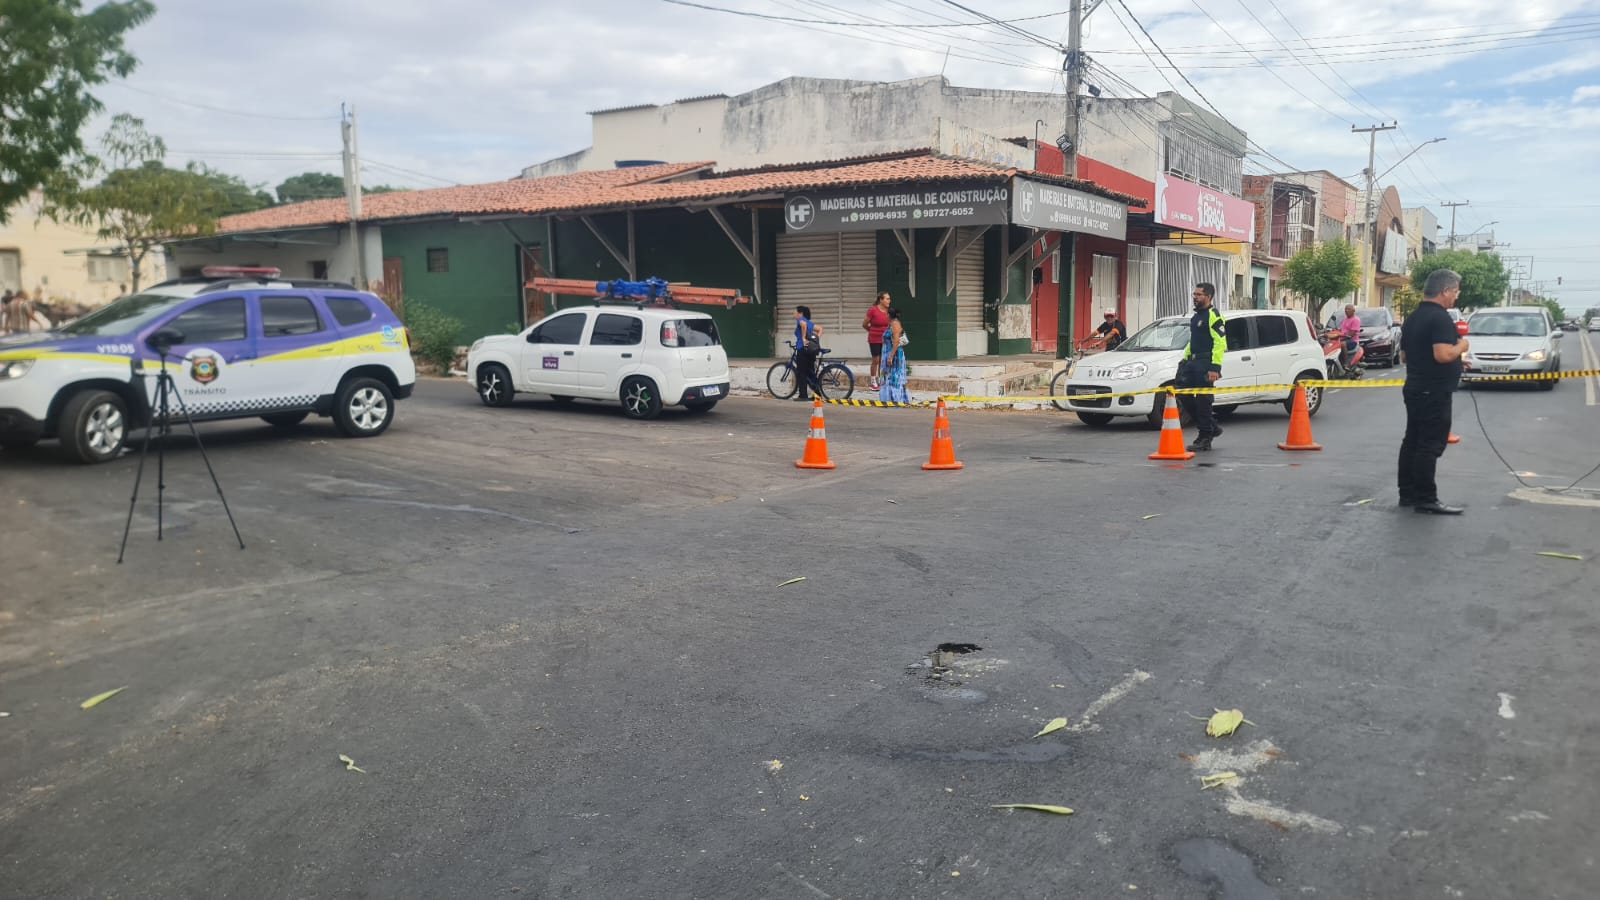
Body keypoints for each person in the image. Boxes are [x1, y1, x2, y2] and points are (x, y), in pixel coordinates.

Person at [1398, 269, 1469, 515]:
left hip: (1415, 387)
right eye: (1455, 292)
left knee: (1412, 441)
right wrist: (1461, 346)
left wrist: (1456, 361)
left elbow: (1406, 356)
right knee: (1429, 444)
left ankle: (1407, 493)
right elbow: (1442, 354)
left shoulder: (1413, 317)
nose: (1456, 297)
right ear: (1445, 291)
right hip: (1434, 391)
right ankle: (1426, 498)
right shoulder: (1440, 318)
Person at [1179, 283, 1226, 452]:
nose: (1195, 297)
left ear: (1209, 297)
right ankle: (1212, 426)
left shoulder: (1214, 316)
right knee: (1182, 393)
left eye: (1199, 294)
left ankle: (1205, 437)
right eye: (1194, 294)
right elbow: (1193, 341)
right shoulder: (1196, 316)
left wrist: (1215, 368)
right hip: (1192, 362)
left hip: (1206, 363)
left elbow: (1220, 343)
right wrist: (1185, 359)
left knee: (1203, 401)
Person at [879, 307, 909, 404]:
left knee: (894, 377)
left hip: (894, 355)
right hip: (888, 353)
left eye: (886, 314)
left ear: (889, 315)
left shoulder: (895, 324)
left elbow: (896, 341)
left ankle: (895, 399)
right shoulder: (891, 324)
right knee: (887, 376)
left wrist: (891, 357)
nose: (885, 316)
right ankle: (887, 398)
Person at [862, 292, 891, 390]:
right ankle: (873, 382)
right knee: (876, 360)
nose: (889, 301)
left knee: (883, 361)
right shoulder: (873, 310)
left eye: (889, 299)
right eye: (887, 299)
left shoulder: (889, 311)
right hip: (874, 339)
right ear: (881, 300)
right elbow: (864, 324)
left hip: (885, 339)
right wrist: (872, 331)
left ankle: (881, 381)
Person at [793, 305, 821, 401]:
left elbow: (803, 325)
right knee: (810, 373)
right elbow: (820, 329)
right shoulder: (809, 322)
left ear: (800, 314)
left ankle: (803, 395)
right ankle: (817, 394)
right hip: (810, 350)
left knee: (801, 372)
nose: (793, 314)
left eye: (795, 312)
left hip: (802, 349)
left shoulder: (801, 320)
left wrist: (803, 338)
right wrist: (815, 341)